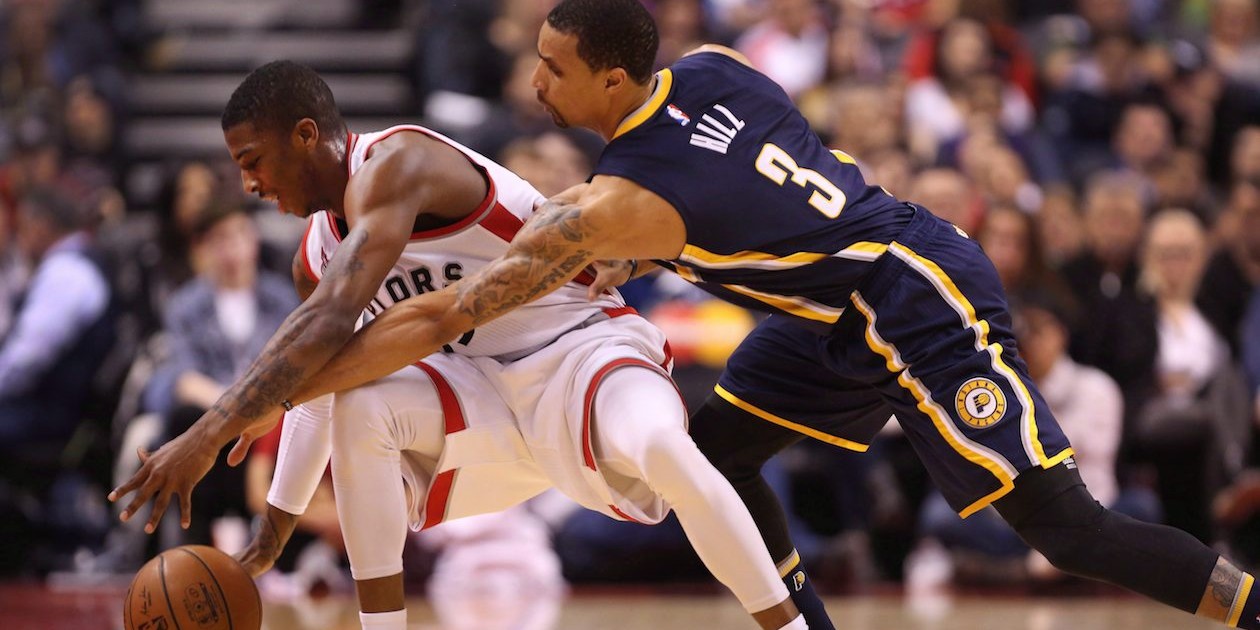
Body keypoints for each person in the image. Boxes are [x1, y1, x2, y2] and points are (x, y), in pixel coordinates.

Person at [112, 2, 1260, 628]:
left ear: (612, 86)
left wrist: (220, 429)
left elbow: (441, 312)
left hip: (917, 296)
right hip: (825, 313)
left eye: (555, 71)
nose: (536, 87)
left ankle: (1243, 603)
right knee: (710, 460)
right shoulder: (711, 64)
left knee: (1064, 526)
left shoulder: (617, 207)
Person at [112, 60, 801, 630]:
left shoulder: (399, 162)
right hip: (480, 398)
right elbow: (318, 384)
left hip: (579, 349)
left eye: (253, 161)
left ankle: (788, 625)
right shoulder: (312, 257)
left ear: (304, 135)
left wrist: (208, 434)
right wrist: (271, 535)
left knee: (666, 451)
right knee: (361, 405)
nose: (249, 185)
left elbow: (326, 323)